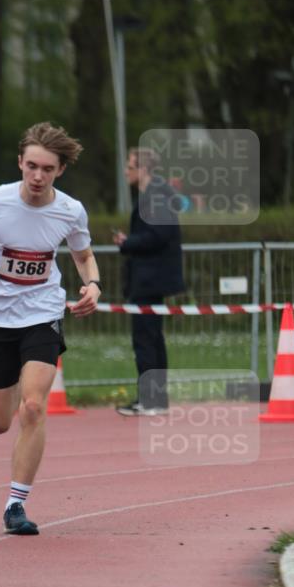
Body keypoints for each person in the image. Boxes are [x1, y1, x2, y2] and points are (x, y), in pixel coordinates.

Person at [0, 122, 101, 535]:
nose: (37, 176)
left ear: (60, 171)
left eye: (47, 169)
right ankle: (11, 377)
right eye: (31, 166)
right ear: (19, 163)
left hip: (43, 313)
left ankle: (16, 504)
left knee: (32, 406)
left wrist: (94, 284)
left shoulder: (70, 210)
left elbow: (83, 255)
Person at [113, 147, 185, 415]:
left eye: (129, 167)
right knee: (151, 338)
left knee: (146, 339)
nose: (126, 171)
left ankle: (151, 400)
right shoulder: (153, 195)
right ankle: (155, 399)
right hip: (148, 277)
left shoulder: (156, 196)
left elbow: (159, 234)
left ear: (142, 169)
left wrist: (127, 242)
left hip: (151, 279)